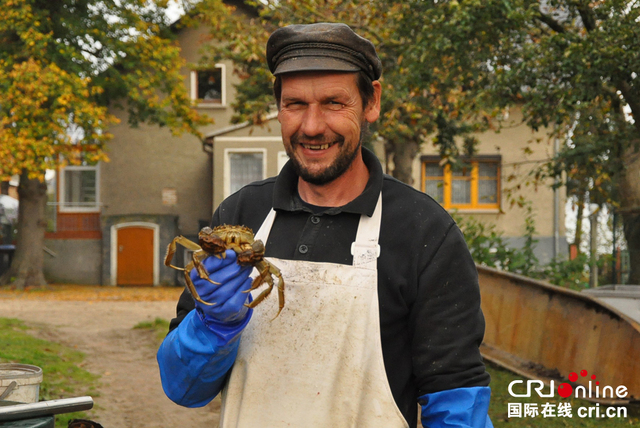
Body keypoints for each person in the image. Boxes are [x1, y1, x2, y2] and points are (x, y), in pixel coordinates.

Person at [157, 22, 493, 428]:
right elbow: (183, 390)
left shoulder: (424, 231)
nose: (312, 127)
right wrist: (211, 328)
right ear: (278, 108)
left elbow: (456, 398)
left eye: (334, 102)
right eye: (295, 104)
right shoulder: (242, 212)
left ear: (372, 102)